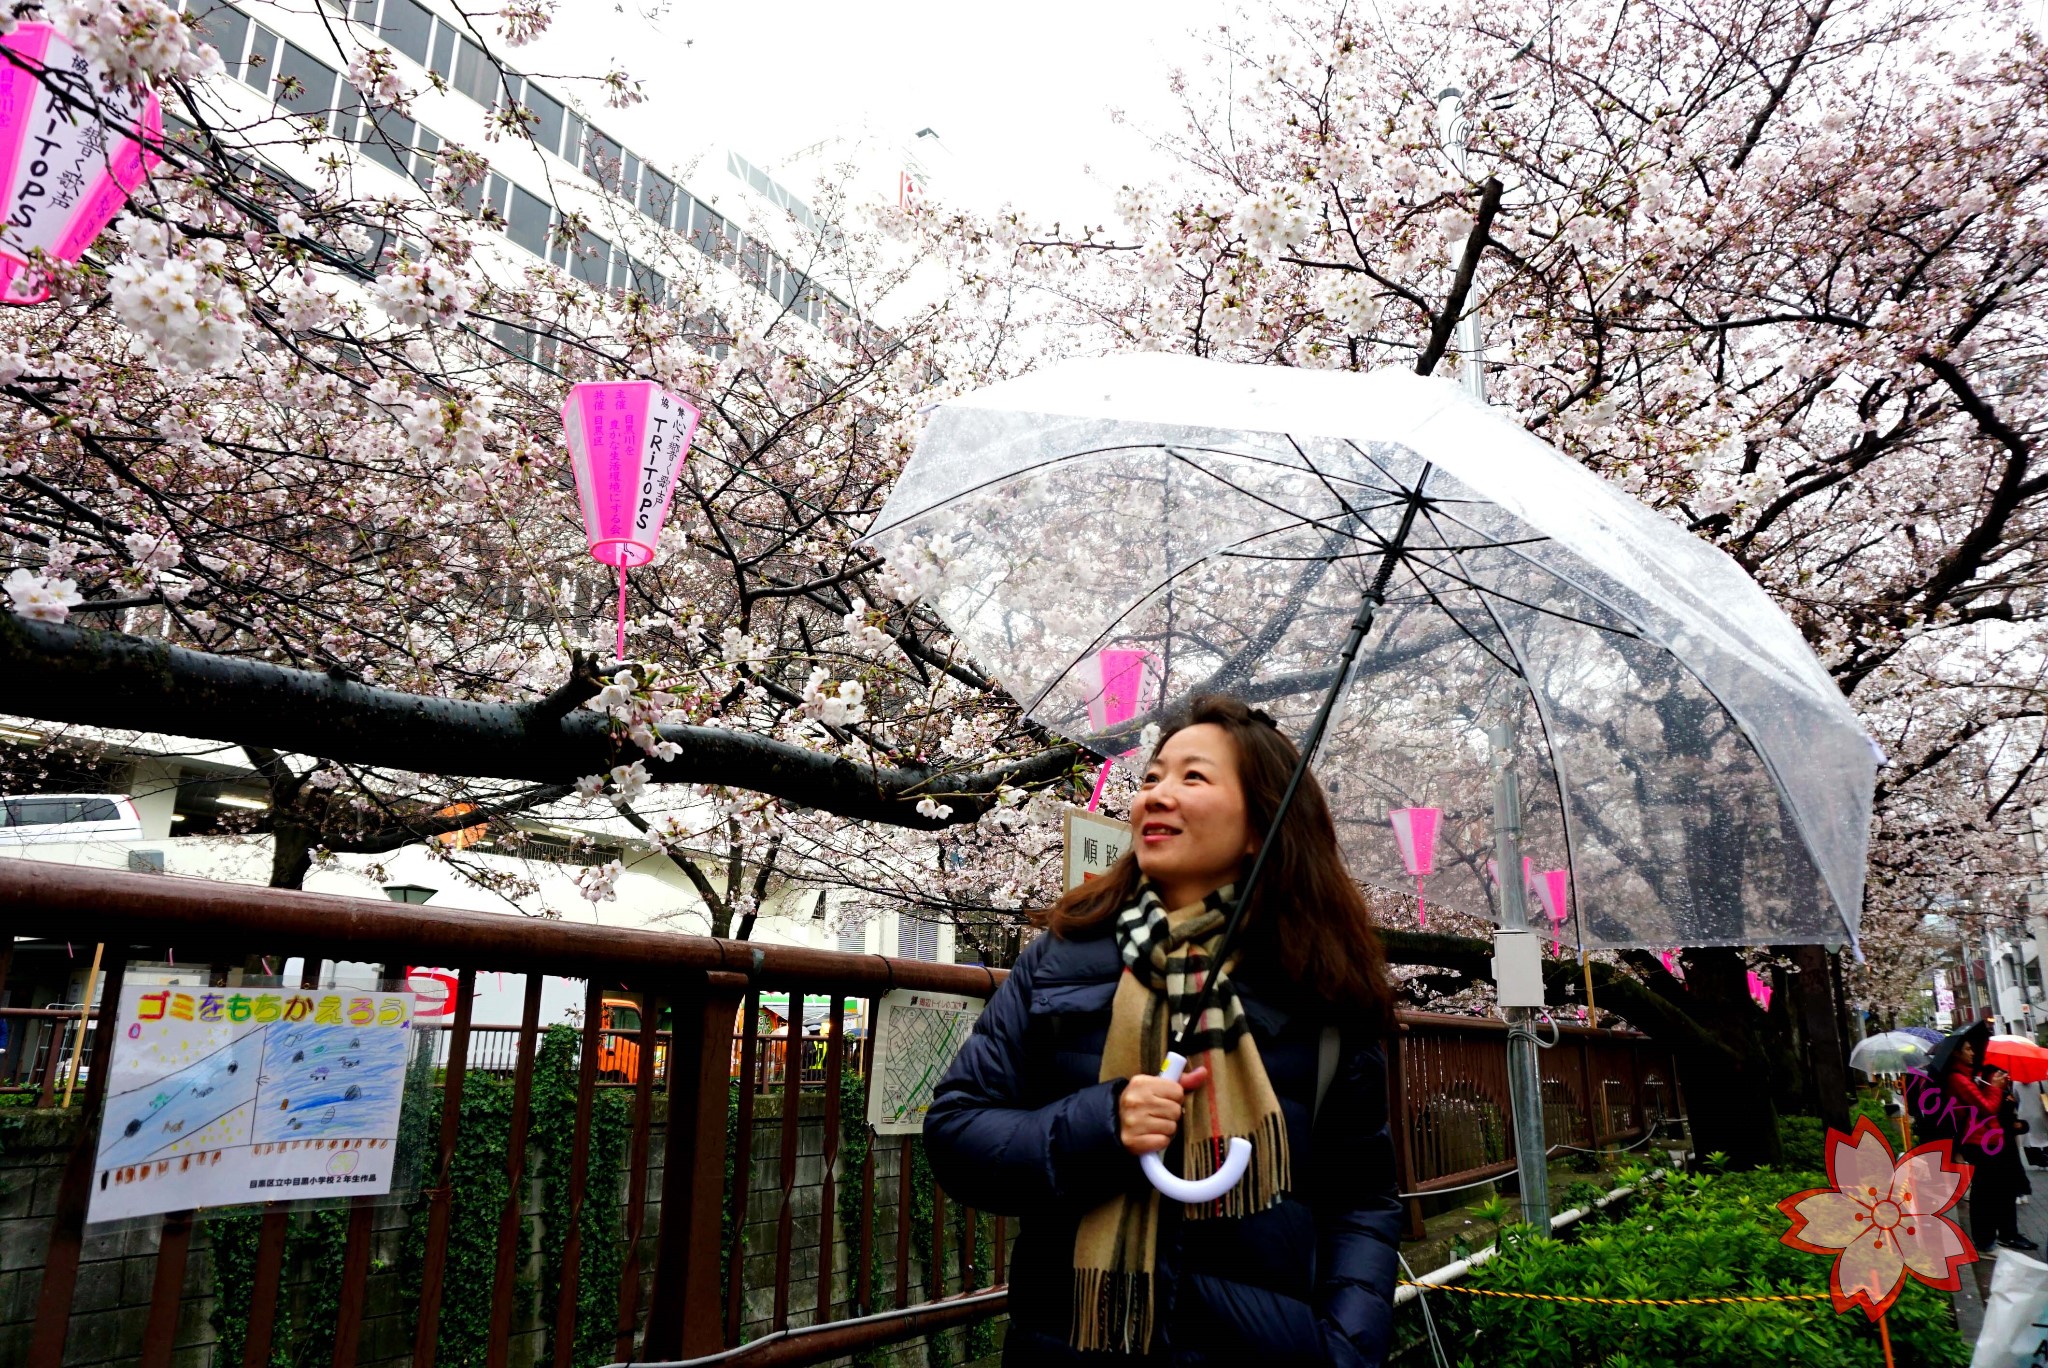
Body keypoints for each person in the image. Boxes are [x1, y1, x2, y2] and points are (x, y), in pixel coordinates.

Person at [924, 694, 1403, 1366]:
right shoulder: (1061, 958)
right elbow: (957, 1133)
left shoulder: (1318, 986)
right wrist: (1102, 1122)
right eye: (1151, 778)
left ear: (1261, 826)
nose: (1156, 795)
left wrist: (1346, 1349)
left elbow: (1361, 1202)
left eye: (1193, 778)